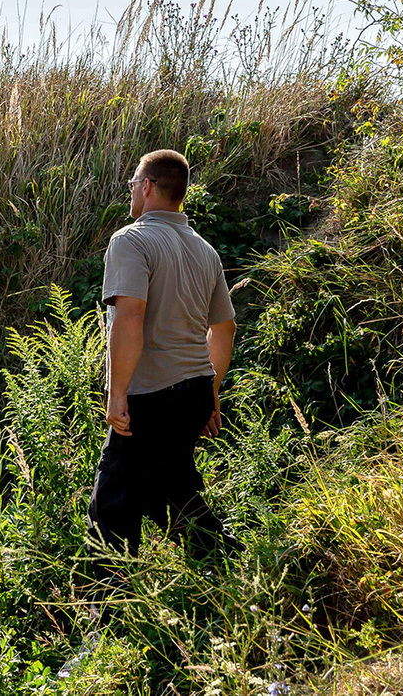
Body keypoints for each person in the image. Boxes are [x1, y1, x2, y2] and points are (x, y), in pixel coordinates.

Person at [87, 149, 238, 573]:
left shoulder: (130, 240)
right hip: (192, 393)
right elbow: (223, 329)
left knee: (112, 505)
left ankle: (104, 617)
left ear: (148, 187)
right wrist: (209, 394)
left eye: (134, 184)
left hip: (150, 396)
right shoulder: (205, 250)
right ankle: (228, 567)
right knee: (168, 488)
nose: (131, 192)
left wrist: (118, 395)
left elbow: (130, 318)